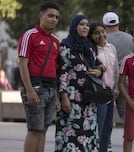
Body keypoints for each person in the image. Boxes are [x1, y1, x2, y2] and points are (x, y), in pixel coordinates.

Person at [55, 15, 105, 151]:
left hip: (89, 98)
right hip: (72, 98)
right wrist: (63, 96)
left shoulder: (88, 47)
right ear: (74, 26)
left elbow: (99, 64)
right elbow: (62, 72)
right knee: (71, 134)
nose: (85, 27)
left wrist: (99, 70)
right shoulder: (66, 46)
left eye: (87, 25)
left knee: (88, 135)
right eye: (81, 24)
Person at [17, 2, 60, 152]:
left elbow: (55, 68)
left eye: (56, 17)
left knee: (43, 129)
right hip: (35, 86)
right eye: (50, 16)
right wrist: (29, 90)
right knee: (34, 129)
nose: (54, 19)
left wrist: (58, 97)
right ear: (41, 16)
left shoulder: (56, 41)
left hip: (51, 88)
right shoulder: (30, 35)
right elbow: (22, 64)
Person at [102, 11, 134, 151]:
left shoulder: (104, 39)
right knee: (126, 113)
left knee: (107, 114)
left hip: (108, 80)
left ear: (105, 25)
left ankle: (107, 143)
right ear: (118, 23)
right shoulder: (130, 38)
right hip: (127, 79)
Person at [88, 22, 119, 152]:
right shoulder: (90, 50)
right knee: (98, 128)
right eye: (96, 33)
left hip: (110, 93)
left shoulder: (111, 47)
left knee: (108, 128)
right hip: (98, 94)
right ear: (91, 35)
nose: (101, 35)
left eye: (103, 31)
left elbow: (116, 69)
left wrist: (115, 90)